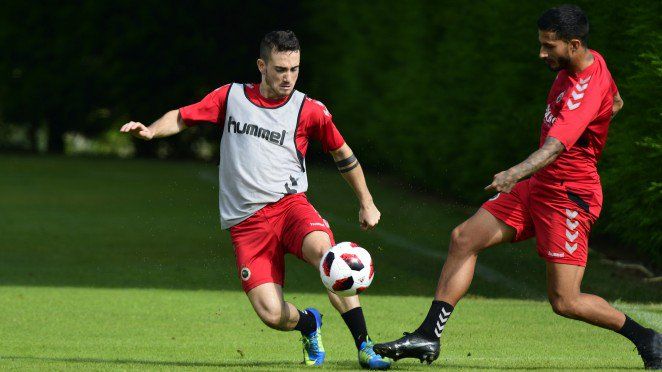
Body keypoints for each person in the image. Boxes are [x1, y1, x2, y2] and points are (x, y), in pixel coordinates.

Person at [374, 5, 661, 369]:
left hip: (569, 197)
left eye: (549, 46)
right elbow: (617, 102)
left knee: (565, 301)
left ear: (573, 45)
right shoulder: (591, 61)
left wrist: (513, 174)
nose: (542, 53)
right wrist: (594, 129)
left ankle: (648, 338)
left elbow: (555, 146)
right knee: (464, 238)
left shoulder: (583, 91)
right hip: (540, 185)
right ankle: (429, 335)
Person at [120, 30, 391, 370]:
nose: (288, 77)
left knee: (330, 258)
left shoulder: (309, 110)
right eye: (280, 69)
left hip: (290, 207)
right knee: (271, 314)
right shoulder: (230, 97)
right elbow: (181, 116)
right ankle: (309, 323)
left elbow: (342, 153)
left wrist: (366, 201)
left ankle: (365, 346)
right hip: (245, 225)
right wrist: (151, 130)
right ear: (262, 66)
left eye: (294, 69)